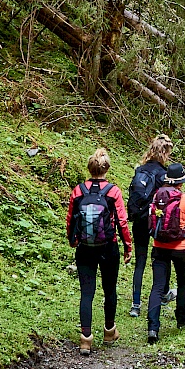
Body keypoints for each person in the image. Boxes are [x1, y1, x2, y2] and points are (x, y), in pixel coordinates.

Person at [66, 148, 132, 355]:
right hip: (108, 247)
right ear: (106, 168)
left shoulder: (78, 190)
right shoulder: (113, 191)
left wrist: (72, 240)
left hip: (85, 248)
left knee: (87, 293)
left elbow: (71, 218)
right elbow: (122, 221)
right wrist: (128, 246)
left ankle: (85, 338)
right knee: (109, 289)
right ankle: (109, 331)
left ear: (90, 168)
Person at [147, 162, 185, 345]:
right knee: (183, 282)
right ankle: (182, 317)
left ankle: (153, 327)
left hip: (159, 246)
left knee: (157, 286)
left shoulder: (157, 195)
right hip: (180, 247)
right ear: (181, 182)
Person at [127, 134, 173, 318]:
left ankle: (135, 304)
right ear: (164, 153)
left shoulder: (140, 170)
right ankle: (162, 295)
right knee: (161, 259)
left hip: (138, 219)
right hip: (155, 220)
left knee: (140, 261)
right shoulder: (163, 174)